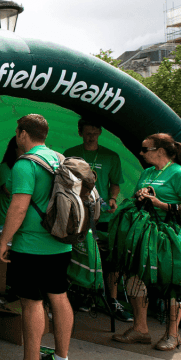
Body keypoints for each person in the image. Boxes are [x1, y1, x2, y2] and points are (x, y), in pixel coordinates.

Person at [0, 114, 75, 360]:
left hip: (31, 245)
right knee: (60, 297)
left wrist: (4, 241)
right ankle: (62, 359)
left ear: (21, 133)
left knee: (32, 302)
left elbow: (18, 207)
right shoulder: (61, 159)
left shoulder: (25, 164)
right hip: (62, 242)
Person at [112, 133, 181, 351]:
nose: (141, 153)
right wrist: (140, 196)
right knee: (134, 278)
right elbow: (137, 199)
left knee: (171, 285)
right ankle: (140, 330)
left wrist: (162, 204)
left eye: (145, 149)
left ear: (160, 151)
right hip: (145, 235)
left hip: (170, 236)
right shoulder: (147, 172)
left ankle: (173, 335)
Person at [63, 119, 130, 322]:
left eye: (95, 132)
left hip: (104, 216)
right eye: (87, 132)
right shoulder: (70, 153)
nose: (91, 136)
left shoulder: (111, 156)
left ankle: (112, 299)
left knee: (109, 260)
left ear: (100, 132)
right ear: (80, 133)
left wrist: (112, 199)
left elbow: (116, 183)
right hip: (78, 215)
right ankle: (84, 295)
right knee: (80, 255)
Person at [0, 137, 23, 224]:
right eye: (23, 149)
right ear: (15, 149)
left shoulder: (26, 167)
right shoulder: (5, 167)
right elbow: (9, 191)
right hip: (3, 218)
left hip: (18, 219)